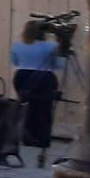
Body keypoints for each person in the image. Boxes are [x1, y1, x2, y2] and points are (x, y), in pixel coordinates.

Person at [10, 20, 63, 157]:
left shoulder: (17, 46)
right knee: (44, 109)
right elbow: (58, 65)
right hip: (44, 77)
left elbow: (15, 62)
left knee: (27, 107)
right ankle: (42, 139)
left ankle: (27, 137)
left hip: (22, 76)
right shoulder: (51, 46)